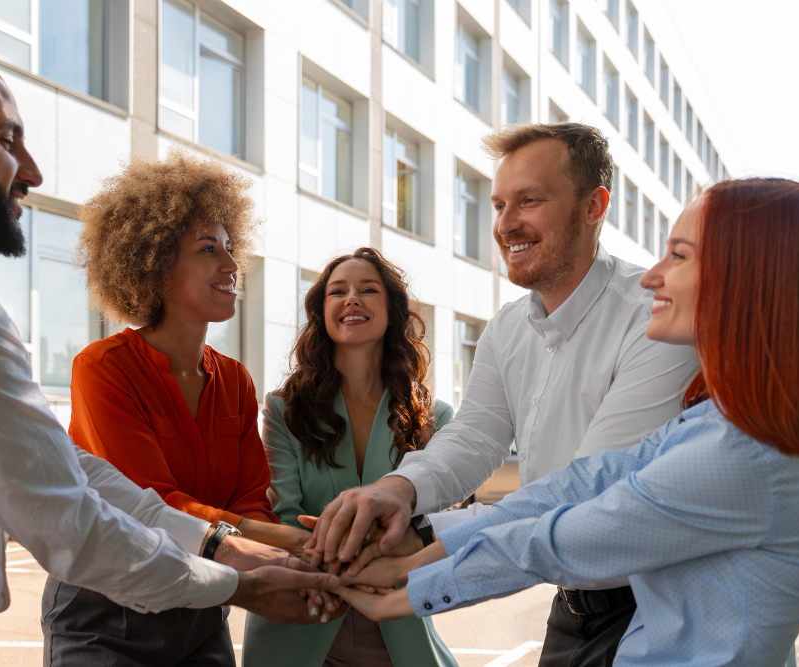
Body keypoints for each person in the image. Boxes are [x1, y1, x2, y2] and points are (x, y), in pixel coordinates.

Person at [0, 46, 335, 667]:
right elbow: (68, 521)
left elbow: (64, 466)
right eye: (8, 139)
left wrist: (220, 545)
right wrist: (238, 583)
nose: (32, 171)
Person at [337, 177, 799, 666]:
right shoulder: (720, 422)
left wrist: (410, 589)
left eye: (679, 256)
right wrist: (419, 555)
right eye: (499, 203)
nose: (654, 275)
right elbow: (582, 484)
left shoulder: (744, 450)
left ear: (749, 276)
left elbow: (574, 533)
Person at [306, 123, 698, 665]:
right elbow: (473, 437)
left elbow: (588, 492)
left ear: (593, 206)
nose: (505, 224)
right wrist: (400, 488)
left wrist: (421, 553)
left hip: (653, 610)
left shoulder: (656, 319)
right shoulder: (506, 327)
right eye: (498, 204)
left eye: (529, 201)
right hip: (568, 605)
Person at [42, 153, 317, 666]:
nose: (232, 266)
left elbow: (251, 497)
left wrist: (283, 548)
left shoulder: (234, 379)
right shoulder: (103, 367)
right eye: (208, 249)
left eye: (231, 249)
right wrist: (293, 543)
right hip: (108, 612)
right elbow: (154, 504)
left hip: (204, 606)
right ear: (157, 263)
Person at [242, 248, 458, 667]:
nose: (351, 299)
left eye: (368, 290)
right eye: (337, 291)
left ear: (392, 310)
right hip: (303, 615)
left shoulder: (436, 417)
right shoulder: (283, 409)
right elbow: (284, 517)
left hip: (398, 627)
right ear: (322, 312)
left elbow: (432, 528)